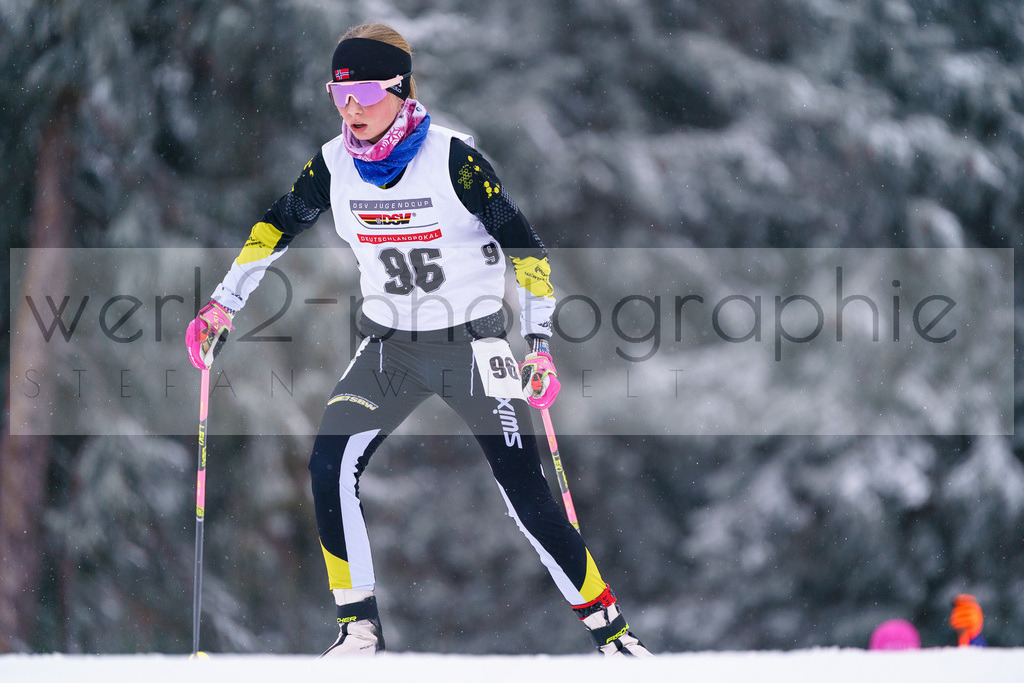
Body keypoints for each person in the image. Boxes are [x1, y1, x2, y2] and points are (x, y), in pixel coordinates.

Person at [185, 23, 651, 658]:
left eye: (366, 91)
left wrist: (538, 343)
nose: (351, 107)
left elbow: (529, 254)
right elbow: (275, 228)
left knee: (525, 495)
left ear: (401, 90)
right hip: (390, 349)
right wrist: (221, 305)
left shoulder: (456, 159)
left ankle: (613, 634)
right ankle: (358, 631)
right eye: (338, 93)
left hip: (476, 348)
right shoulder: (332, 164)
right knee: (329, 466)